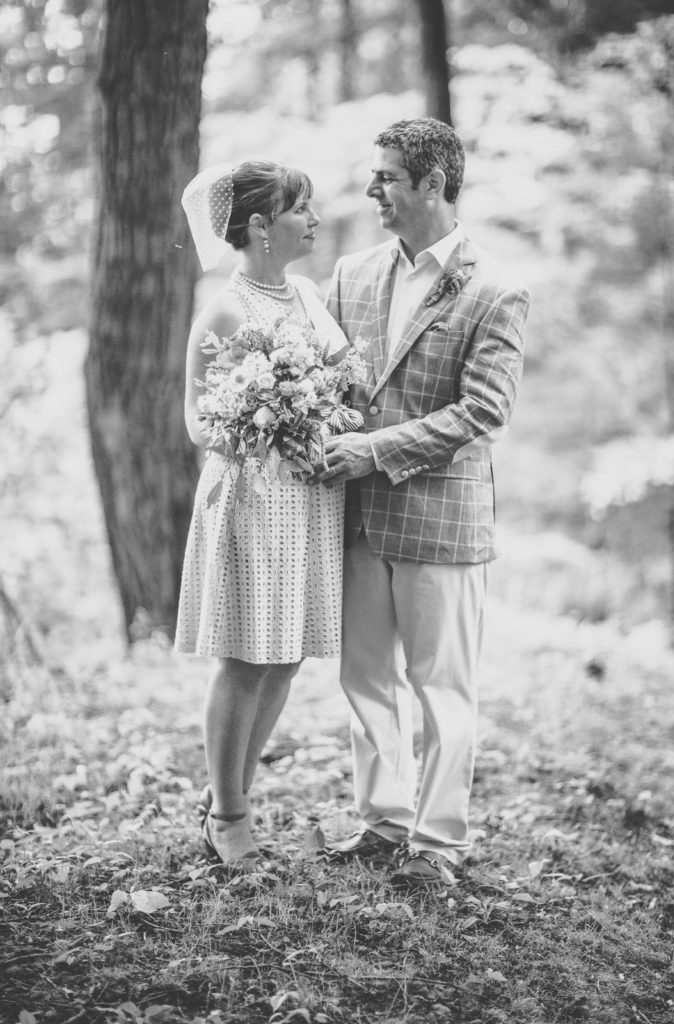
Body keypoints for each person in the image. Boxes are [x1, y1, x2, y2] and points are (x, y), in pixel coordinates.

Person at [319, 118, 530, 889]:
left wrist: (373, 448)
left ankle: (436, 844)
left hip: (443, 520)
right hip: (358, 517)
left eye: (386, 177)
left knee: (442, 686)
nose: (373, 189)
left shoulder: (497, 290)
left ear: (433, 184)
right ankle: (383, 822)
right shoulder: (351, 273)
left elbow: (484, 413)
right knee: (365, 676)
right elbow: (337, 388)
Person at [175, 161, 348, 867]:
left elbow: (347, 377)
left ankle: (227, 804)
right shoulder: (223, 309)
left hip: (306, 499)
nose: (312, 218)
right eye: (300, 208)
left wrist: (317, 406)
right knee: (247, 658)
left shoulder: (307, 294)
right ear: (258, 227)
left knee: (288, 657)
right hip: (249, 495)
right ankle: (230, 812)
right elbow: (195, 421)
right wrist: (259, 423)